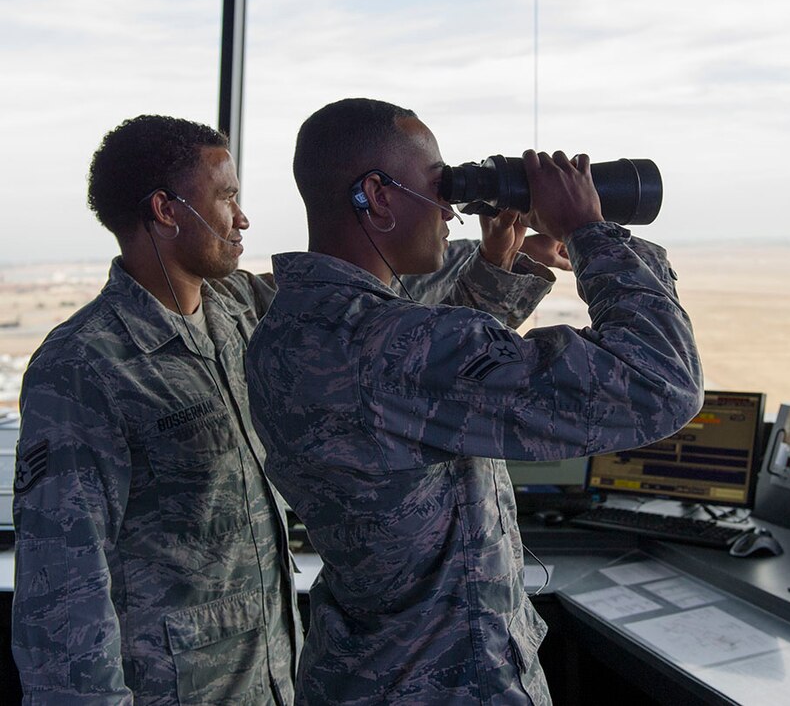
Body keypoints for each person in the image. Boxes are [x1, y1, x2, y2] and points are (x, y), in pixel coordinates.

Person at [11, 114, 559, 704]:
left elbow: (387, 315)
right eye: (226, 198)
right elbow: (63, 592)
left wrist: (502, 257)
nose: (242, 218)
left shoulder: (247, 309)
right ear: (166, 211)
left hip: (276, 674)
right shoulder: (83, 367)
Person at [244, 97, 704, 705]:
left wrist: (503, 263)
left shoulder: (299, 328)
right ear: (378, 198)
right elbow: (659, 382)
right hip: (450, 683)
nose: (451, 214)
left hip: (369, 670)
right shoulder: (384, 345)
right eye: (441, 190)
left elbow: (431, 389)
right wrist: (590, 232)